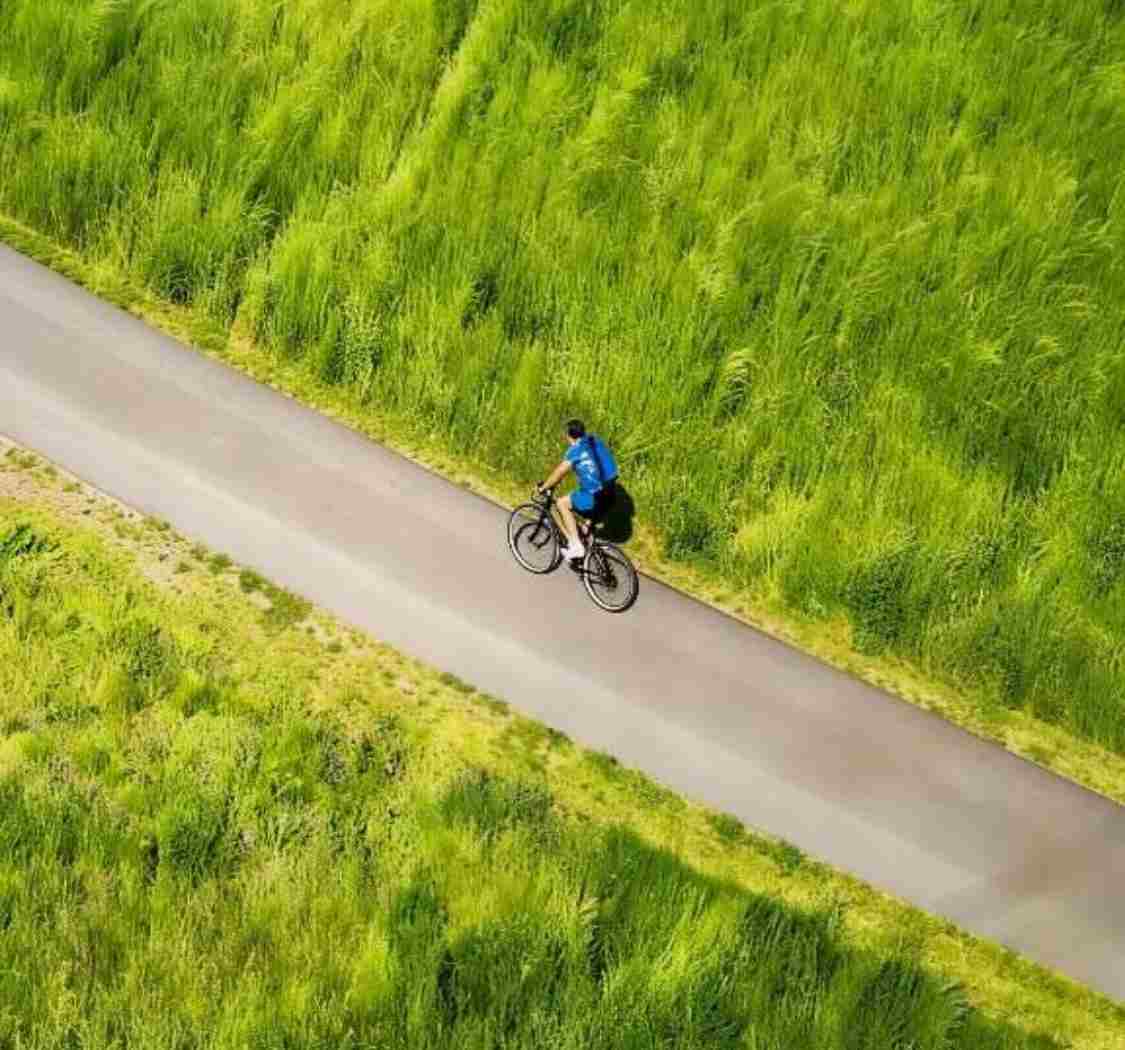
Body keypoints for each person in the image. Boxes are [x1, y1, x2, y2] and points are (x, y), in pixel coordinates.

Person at [538, 419, 618, 562]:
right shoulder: (594, 440)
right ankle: (589, 542)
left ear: (569, 436)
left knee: (562, 504)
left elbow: (559, 472)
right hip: (611, 491)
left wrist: (544, 487)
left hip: (594, 496)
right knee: (586, 521)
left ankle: (576, 547)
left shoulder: (574, 450)